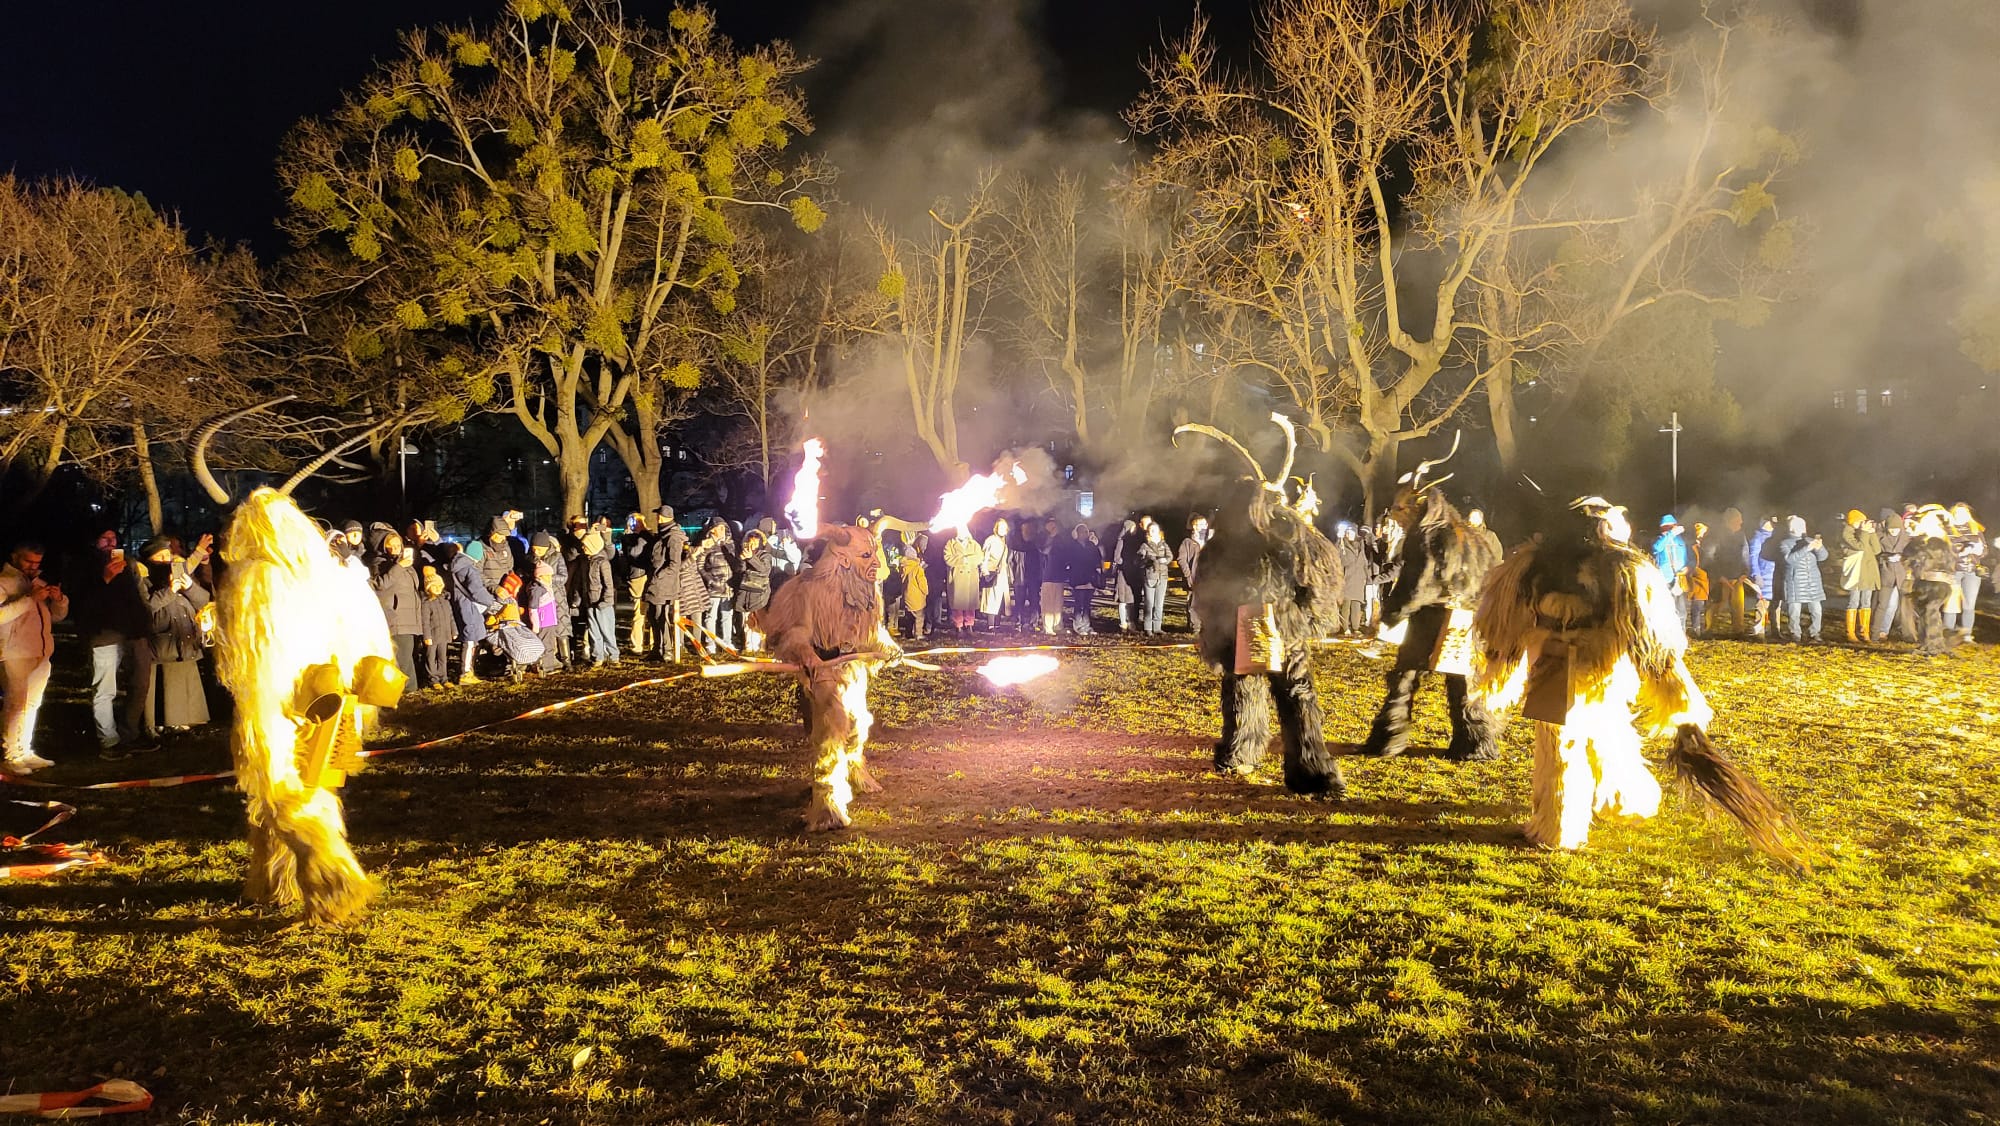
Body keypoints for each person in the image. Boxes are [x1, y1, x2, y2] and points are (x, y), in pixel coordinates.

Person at [1, 542, 70, 774]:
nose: (33, 567)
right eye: (28, 561)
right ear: (15, 557)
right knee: (16, 705)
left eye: (37, 563)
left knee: (32, 704)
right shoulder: (4, 582)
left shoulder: (38, 582)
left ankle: (25, 750)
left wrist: (59, 600)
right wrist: (29, 598)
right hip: (14, 653)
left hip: (41, 651)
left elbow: (56, 617)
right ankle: (11, 755)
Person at [133, 539, 211, 739]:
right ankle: (155, 724)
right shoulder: (144, 580)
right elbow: (147, 607)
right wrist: (170, 590)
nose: (165, 560)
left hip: (185, 640)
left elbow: (203, 600)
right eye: (159, 557)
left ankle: (183, 720)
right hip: (161, 642)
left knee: (182, 682)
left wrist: (190, 586)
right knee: (161, 685)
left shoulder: (180, 572)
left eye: (167, 556)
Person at [367, 524, 423, 682]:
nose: (396, 548)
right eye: (390, 546)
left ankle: (407, 690)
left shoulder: (406, 564)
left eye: (398, 544)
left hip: (410, 617)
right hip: (396, 617)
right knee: (403, 657)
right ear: (383, 547)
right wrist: (399, 567)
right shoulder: (379, 563)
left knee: (407, 655)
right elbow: (380, 585)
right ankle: (407, 690)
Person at [1907, 506, 1957, 655]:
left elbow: (1919, 560)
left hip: (1934, 584)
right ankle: (1932, 643)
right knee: (1929, 613)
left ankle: (1932, 644)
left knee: (1930, 613)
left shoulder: (1933, 542)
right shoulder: (1932, 540)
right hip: (1934, 583)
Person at [443, 541, 494, 683]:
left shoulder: (455, 567)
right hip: (470, 608)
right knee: (470, 640)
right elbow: (476, 591)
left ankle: (468, 671)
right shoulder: (470, 569)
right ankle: (466, 673)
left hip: (460, 606)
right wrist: (491, 601)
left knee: (469, 639)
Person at [644, 508, 689, 661]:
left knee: (661, 617)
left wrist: (659, 576)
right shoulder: (663, 534)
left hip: (664, 585)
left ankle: (667, 650)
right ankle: (657, 648)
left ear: (663, 517)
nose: (656, 517)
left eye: (658, 515)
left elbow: (674, 564)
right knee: (653, 616)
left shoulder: (673, 537)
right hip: (656, 583)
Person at [1777, 516, 1827, 642]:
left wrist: (1819, 548)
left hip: (1813, 580)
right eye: (1800, 526)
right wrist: (1807, 548)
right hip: (1795, 581)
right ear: (1792, 528)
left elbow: (1823, 557)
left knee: (1817, 610)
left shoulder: (1809, 540)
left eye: (1803, 525)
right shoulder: (1785, 543)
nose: (1803, 528)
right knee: (1794, 610)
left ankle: (1814, 632)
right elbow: (1789, 559)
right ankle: (1795, 633)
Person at [1837, 509, 1883, 644]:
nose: (1864, 524)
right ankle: (1850, 633)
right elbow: (1860, 546)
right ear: (1854, 522)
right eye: (1861, 522)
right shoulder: (1847, 532)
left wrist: (1872, 532)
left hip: (1868, 572)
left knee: (1866, 602)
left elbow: (1876, 550)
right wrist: (1864, 532)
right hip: (1856, 573)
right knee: (1854, 602)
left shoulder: (1861, 533)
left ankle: (1865, 632)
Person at [1706, 507, 1751, 636]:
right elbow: (1709, 557)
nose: (1741, 522)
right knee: (1717, 604)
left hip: (1737, 577)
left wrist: (1745, 572)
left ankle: (1738, 630)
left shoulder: (1741, 536)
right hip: (1721, 578)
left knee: (1738, 606)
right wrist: (1718, 576)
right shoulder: (1717, 535)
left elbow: (1745, 554)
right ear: (1730, 520)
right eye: (1738, 519)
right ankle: (1710, 629)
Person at [579, 526, 620, 666]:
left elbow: (609, 584)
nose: (583, 548)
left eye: (585, 545)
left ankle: (613, 656)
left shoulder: (603, 563)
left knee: (607, 630)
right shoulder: (586, 562)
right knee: (593, 631)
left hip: (602, 604)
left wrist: (606, 601)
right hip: (590, 602)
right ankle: (598, 656)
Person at [1946, 503, 1986, 642]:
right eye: (1958, 513)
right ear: (1953, 515)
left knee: (1969, 604)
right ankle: (1948, 632)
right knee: (1951, 603)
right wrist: (1962, 552)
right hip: (1954, 571)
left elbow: (1985, 550)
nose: (1961, 516)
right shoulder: (1948, 530)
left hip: (1972, 572)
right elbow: (1946, 551)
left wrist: (1979, 551)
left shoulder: (1976, 530)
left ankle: (1967, 634)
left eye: (1964, 513)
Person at [696, 518, 737, 653]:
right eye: (719, 528)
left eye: (724, 528)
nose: (722, 531)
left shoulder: (730, 544)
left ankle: (727, 642)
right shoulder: (706, 545)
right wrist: (710, 580)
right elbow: (700, 565)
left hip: (728, 586)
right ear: (712, 530)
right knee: (711, 616)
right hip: (713, 587)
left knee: (727, 615)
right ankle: (710, 644)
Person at [1874, 509, 1915, 643]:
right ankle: (1876, 632)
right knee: (1883, 604)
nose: (1894, 531)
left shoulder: (1907, 538)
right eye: (1891, 529)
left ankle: (1893, 632)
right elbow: (1876, 553)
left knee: (1898, 606)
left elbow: (1911, 555)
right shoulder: (1880, 537)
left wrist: (1902, 558)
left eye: (1896, 529)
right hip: (1886, 574)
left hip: (1902, 576)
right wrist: (1886, 557)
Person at [416, 563, 455, 689]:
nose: (438, 588)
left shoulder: (445, 601)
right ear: (428, 588)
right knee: (431, 658)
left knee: (442, 657)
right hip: (432, 635)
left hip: (444, 634)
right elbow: (425, 621)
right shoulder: (426, 603)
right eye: (434, 586)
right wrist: (426, 636)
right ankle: (433, 679)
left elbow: (450, 617)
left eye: (439, 586)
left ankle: (444, 678)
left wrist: (453, 630)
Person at [736, 528, 774, 653]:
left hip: (759, 594)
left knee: (760, 623)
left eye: (755, 542)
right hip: (745, 593)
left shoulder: (765, 555)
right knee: (747, 622)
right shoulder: (743, 553)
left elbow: (764, 569)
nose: (752, 545)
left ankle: (761, 648)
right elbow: (739, 572)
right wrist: (742, 560)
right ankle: (748, 647)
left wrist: (751, 558)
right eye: (750, 542)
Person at [1062, 522, 1104, 634]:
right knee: (1078, 603)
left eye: (1086, 532)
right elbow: (1068, 561)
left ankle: (1087, 625)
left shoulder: (1091, 546)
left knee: (1087, 605)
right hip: (1078, 579)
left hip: (1090, 579)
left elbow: (1098, 559)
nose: (1084, 534)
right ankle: (1078, 626)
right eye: (1082, 532)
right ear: (1077, 533)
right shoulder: (1072, 546)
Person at [1651, 516, 1690, 622]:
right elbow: (1657, 548)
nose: (1668, 529)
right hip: (1665, 580)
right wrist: (1671, 534)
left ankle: (1682, 634)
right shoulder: (1660, 540)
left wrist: (1687, 567)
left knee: (1681, 611)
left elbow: (1685, 557)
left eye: (1671, 526)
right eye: (1666, 527)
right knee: (1666, 610)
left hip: (1679, 579)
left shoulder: (1680, 541)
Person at [1137, 521, 1173, 635]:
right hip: (1150, 576)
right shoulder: (1145, 545)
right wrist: (1146, 559)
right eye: (1151, 530)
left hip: (1162, 576)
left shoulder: (1163, 544)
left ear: (1159, 531)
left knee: (1159, 603)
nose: (1153, 532)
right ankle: (1148, 628)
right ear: (1148, 532)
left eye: (1155, 530)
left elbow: (1170, 556)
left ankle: (1157, 627)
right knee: (1149, 603)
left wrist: (1165, 561)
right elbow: (1139, 559)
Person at [944, 526, 982, 633]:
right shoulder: (950, 544)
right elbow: (948, 558)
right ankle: (959, 625)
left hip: (971, 578)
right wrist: (962, 560)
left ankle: (969, 624)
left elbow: (979, 557)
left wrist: (967, 559)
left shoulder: (974, 544)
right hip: (957, 578)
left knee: (970, 604)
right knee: (958, 604)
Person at [1177, 516, 1210, 633]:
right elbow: (1181, 559)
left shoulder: (1209, 542)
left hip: (1207, 577)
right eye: (1201, 524)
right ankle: (1194, 627)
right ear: (1194, 527)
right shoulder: (1187, 542)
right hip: (1194, 577)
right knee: (1193, 602)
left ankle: (1206, 626)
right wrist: (1188, 576)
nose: (1204, 527)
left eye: (1205, 524)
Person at [1746, 516, 1777, 639]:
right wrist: (1756, 574)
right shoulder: (1757, 538)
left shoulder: (1774, 537)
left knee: (1775, 603)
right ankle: (1759, 630)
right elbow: (1753, 557)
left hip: (1775, 574)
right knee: (1762, 602)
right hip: (1764, 574)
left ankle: (1776, 630)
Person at [1335, 521, 1369, 635]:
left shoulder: (1360, 545)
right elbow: (1335, 555)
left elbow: (1364, 562)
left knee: (1356, 605)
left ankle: (1356, 627)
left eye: (1351, 532)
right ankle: (1345, 628)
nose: (1349, 534)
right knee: (1346, 605)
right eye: (1347, 532)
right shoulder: (1342, 545)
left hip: (1358, 579)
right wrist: (1338, 540)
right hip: (1346, 579)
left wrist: (1367, 577)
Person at [979, 517, 1013, 630]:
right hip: (992, 572)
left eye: (1004, 527)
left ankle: (997, 624)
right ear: (996, 528)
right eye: (1000, 527)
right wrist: (985, 572)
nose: (1002, 529)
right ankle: (991, 625)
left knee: (1000, 599)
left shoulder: (1005, 542)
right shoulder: (990, 540)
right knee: (991, 600)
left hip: (1002, 574)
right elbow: (984, 557)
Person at [899, 532, 931, 641]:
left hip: (907, 596)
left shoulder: (903, 567)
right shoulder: (918, 569)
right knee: (919, 617)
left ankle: (908, 634)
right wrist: (926, 591)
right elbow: (922, 582)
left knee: (909, 616)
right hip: (917, 598)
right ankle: (918, 633)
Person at [1112, 518, 1141, 631]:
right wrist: (1125, 563)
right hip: (1123, 574)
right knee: (1123, 599)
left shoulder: (1134, 541)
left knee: (1131, 599)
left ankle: (1131, 621)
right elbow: (1117, 557)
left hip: (1132, 573)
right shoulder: (1121, 540)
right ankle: (1123, 622)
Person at [1685, 522, 1710, 637]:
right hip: (1697, 578)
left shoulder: (1699, 545)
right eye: (1702, 533)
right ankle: (1695, 629)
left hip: (1701, 578)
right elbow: (1693, 562)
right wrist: (1699, 571)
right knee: (1696, 605)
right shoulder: (1691, 546)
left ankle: (1697, 628)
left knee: (1698, 605)